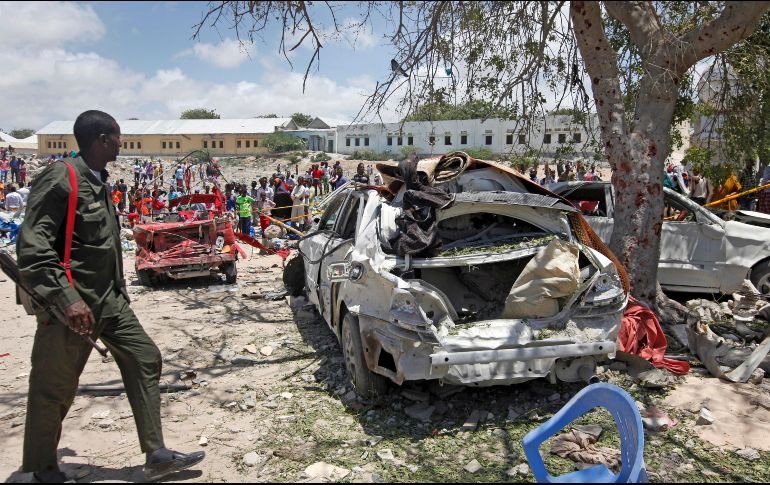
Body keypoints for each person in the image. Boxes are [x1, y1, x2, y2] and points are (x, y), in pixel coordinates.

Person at [16, 110, 205, 483]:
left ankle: (156, 453)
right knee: (54, 386)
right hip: (71, 306)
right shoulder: (61, 179)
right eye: (118, 137)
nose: (122, 143)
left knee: (144, 357)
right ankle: (39, 469)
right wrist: (67, 298)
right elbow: (33, 248)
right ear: (102, 139)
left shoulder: (98, 181)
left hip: (110, 301)